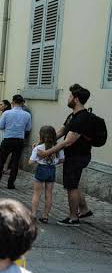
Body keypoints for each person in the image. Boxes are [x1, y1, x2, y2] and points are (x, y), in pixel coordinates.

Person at [38, 84, 94, 226]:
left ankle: (73, 218)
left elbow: (68, 141)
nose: (68, 98)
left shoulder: (82, 118)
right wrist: (42, 143)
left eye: (70, 96)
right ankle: (84, 210)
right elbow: (61, 132)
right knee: (74, 183)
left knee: (71, 186)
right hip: (74, 156)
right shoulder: (73, 116)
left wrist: (47, 152)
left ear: (76, 99)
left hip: (77, 157)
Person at [0, 94, 32, 190]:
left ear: (13, 102)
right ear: (22, 103)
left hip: (8, 138)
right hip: (19, 140)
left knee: (1, 160)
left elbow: (1, 126)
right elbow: (28, 128)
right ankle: (11, 184)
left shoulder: (7, 113)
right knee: (15, 162)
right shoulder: (27, 115)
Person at [29, 126, 64, 223]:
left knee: (37, 194)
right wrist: (54, 162)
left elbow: (30, 162)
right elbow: (62, 159)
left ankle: (33, 215)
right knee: (49, 194)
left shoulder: (38, 148)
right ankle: (45, 216)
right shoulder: (57, 147)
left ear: (41, 136)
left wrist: (35, 153)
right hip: (52, 169)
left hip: (41, 169)